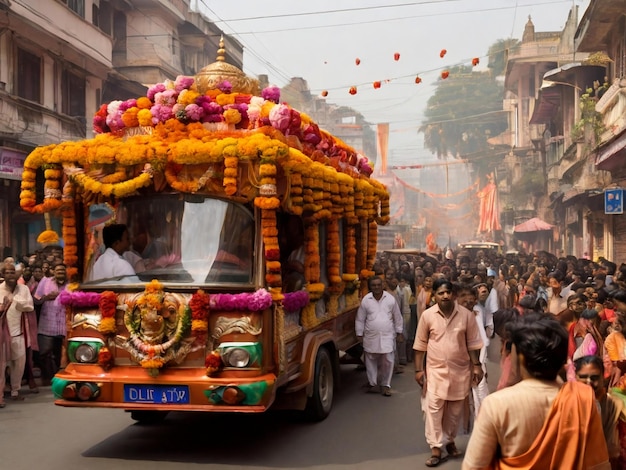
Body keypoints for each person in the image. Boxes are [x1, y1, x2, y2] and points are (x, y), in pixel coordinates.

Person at [462, 313, 610, 470]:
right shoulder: (584, 400)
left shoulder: (495, 405)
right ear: (562, 362)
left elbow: (474, 466)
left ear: (520, 359)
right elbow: (598, 465)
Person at [414, 278, 484, 467]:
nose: (445, 296)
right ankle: (436, 447)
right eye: (440, 293)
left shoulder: (466, 316)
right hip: (435, 370)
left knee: (454, 411)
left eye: (448, 292)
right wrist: (419, 370)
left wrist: (477, 365)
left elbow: (473, 343)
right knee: (434, 408)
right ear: (434, 296)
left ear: (453, 294)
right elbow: (420, 344)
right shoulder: (428, 316)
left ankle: (450, 440)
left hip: (460, 370)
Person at [355, 276, 404, 397]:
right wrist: (359, 334)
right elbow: (360, 319)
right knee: (370, 359)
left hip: (387, 335)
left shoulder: (390, 299)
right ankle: (373, 383)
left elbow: (397, 316)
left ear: (382, 285)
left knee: (388, 359)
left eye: (378, 285)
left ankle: (385, 385)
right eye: (374, 285)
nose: (376, 287)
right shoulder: (366, 300)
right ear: (370, 287)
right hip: (371, 335)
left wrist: (399, 332)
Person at [574, 355, 622, 468]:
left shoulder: (613, 404)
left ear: (603, 377)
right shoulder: (567, 403)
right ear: (576, 377)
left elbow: (615, 446)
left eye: (594, 377)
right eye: (583, 377)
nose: (588, 382)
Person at [0, 262, 35, 406]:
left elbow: (30, 306)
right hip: (2, 335)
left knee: (19, 364)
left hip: (19, 332)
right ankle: (1, 393)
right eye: (7, 272)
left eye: (12, 272)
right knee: (1, 365)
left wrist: (16, 301)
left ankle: (15, 390)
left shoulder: (24, 288)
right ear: (2, 275)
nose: (10, 275)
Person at [34, 263, 68, 385]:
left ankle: (58, 377)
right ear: (53, 271)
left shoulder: (71, 285)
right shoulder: (45, 281)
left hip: (63, 324)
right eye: (58, 270)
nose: (60, 272)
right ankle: (47, 376)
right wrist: (46, 298)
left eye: (62, 270)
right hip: (47, 323)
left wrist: (63, 296)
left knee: (60, 353)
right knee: (44, 352)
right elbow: (36, 300)